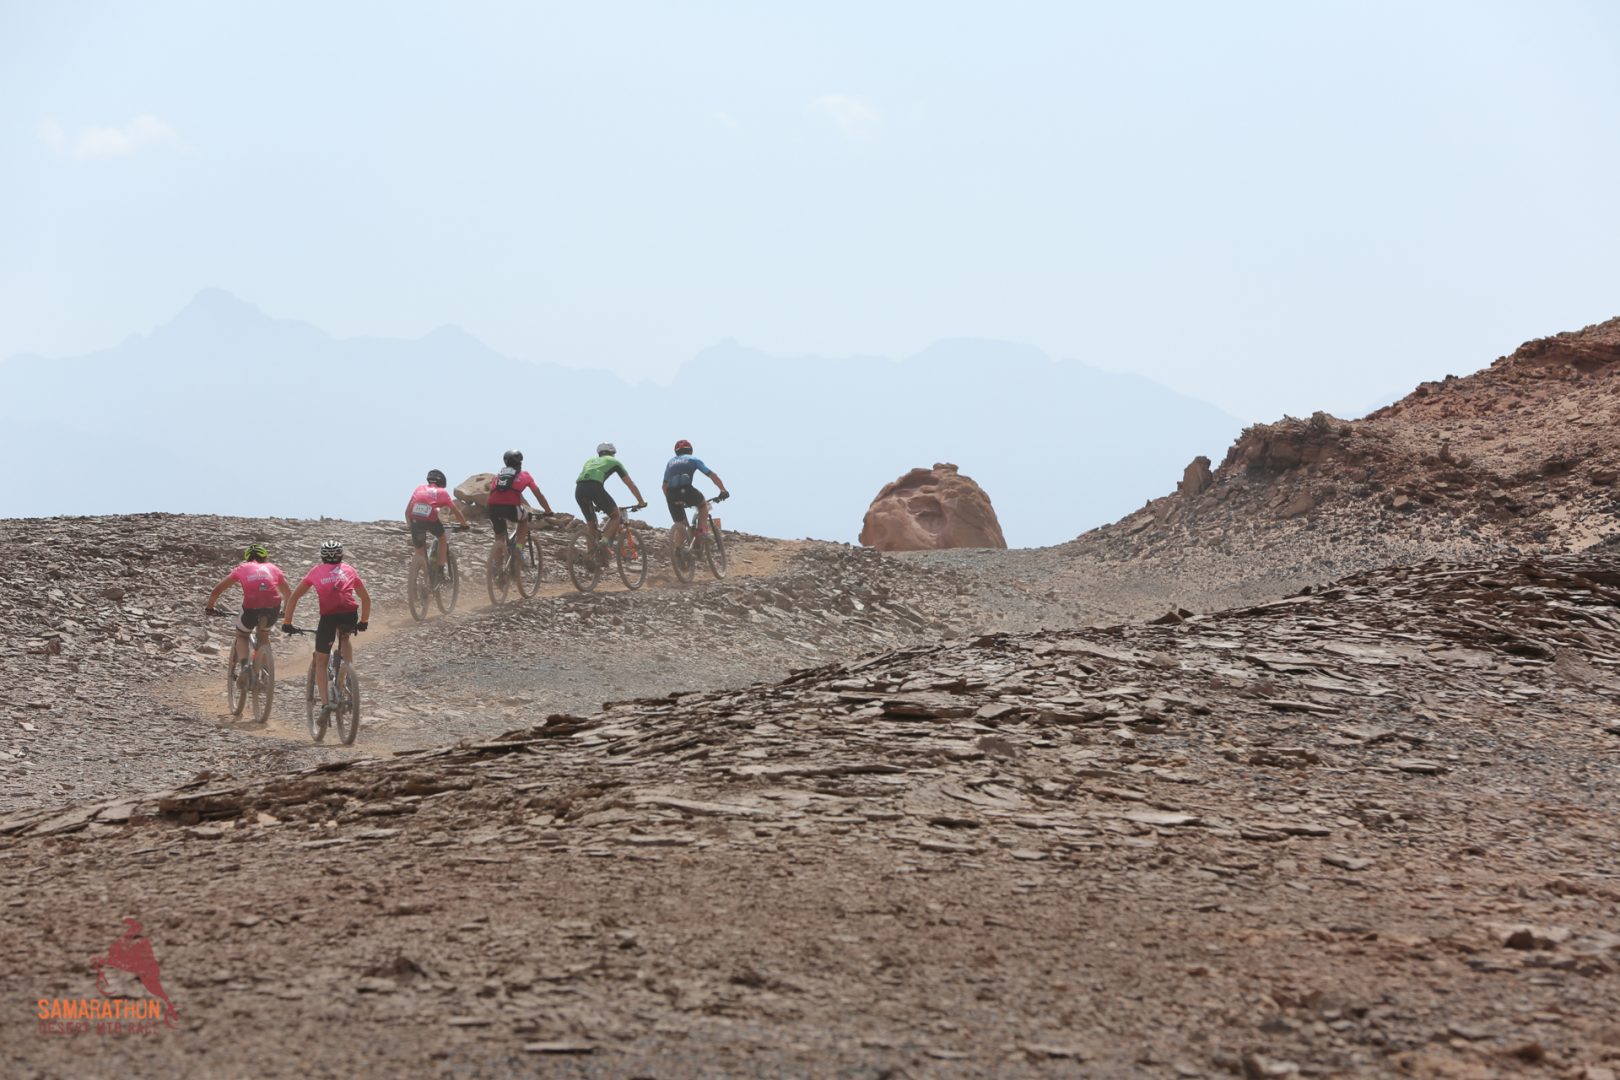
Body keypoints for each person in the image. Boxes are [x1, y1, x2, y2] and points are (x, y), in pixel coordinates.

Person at [282, 540, 371, 716]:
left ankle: (325, 705)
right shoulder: (349, 570)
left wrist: (287, 623)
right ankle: (347, 671)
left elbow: (294, 598)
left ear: (322, 556)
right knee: (344, 637)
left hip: (328, 616)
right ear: (342, 555)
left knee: (321, 661)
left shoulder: (315, 571)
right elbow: (365, 599)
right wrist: (364, 621)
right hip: (350, 613)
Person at [204, 543, 292, 681]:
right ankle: (266, 672)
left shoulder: (242, 568)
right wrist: (284, 611)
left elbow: (217, 590)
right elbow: (288, 594)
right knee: (264, 635)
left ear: (247, 558)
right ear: (265, 557)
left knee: (242, 635)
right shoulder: (273, 568)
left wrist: (210, 608)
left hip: (251, 606)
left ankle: (245, 667)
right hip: (273, 607)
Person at [575, 442, 646, 562]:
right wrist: (641, 501)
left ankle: (592, 558)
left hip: (579, 489)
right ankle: (604, 543)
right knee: (615, 515)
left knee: (591, 525)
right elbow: (630, 483)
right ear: (612, 453)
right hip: (594, 487)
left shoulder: (590, 461)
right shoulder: (614, 462)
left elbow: (587, 479)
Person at [487, 450, 554, 577]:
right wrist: (548, 510)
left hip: (493, 508)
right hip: (511, 507)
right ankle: (518, 548)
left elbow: (491, 493)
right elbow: (538, 494)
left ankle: (497, 569)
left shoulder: (497, 476)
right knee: (524, 519)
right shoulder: (525, 475)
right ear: (520, 462)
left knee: (499, 537)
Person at [663, 439, 729, 549]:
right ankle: (702, 533)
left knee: (682, 527)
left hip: (671, 495)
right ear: (690, 451)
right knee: (703, 506)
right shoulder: (693, 459)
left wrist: (673, 500)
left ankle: (678, 553)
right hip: (686, 490)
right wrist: (723, 490)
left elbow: (664, 486)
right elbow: (712, 475)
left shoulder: (670, 462)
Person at [405, 469, 468, 582]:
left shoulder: (419, 489)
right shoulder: (441, 492)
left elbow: (407, 511)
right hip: (430, 519)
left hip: (415, 519)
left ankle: (419, 581)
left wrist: (410, 526)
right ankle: (439, 572)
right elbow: (456, 511)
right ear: (442, 483)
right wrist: (464, 524)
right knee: (442, 538)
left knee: (419, 551)